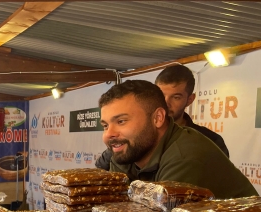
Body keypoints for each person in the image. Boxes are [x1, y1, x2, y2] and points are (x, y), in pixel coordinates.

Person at [99, 80, 257, 199]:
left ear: (158, 118)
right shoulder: (127, 152)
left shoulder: (185, 156)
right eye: (105, 126)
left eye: (121, 121)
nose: (109, 134)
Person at [96, 64, 229, 170]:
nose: (165, 103)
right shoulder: (131, 142)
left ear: (190, 100)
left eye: (176, 97)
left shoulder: (205, 143)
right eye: (160, 95)